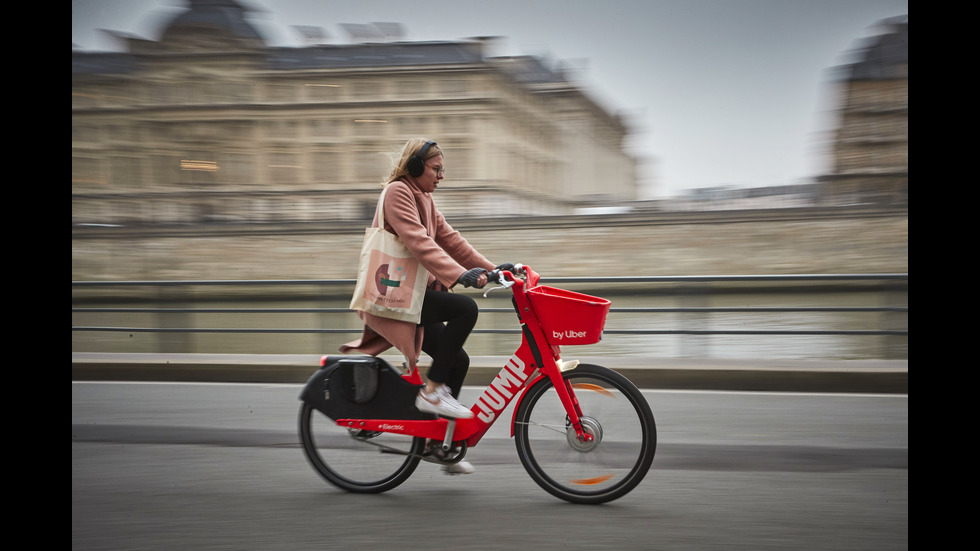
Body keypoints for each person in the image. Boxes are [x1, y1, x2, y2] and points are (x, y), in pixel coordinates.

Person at [341, 138, 512, 475]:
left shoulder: (426, 199)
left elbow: (451, 240)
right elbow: (418, 243)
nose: (441, 176)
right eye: (436, 169)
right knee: (465, 309)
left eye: (442, 170)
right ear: (416, 167)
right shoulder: (397, 193)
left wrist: (495, 272)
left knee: (458, 360)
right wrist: (461, 276)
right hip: (396, 294)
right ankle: (432, 392)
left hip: (412, 294)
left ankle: (440, 446)